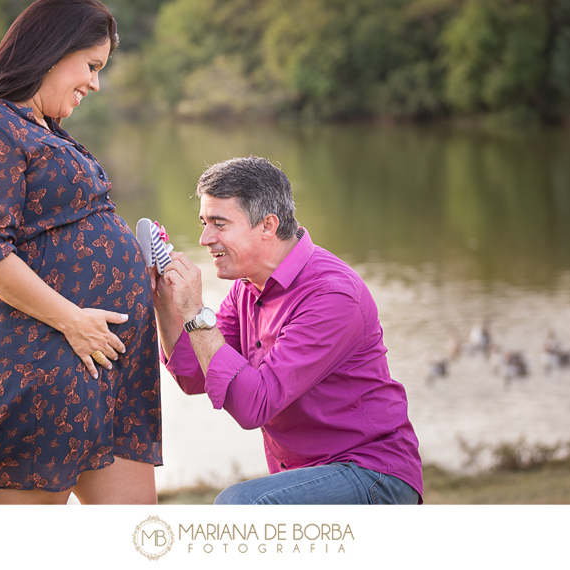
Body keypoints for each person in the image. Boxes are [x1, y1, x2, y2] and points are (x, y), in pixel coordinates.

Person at [0, 0, 161, 505]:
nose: (95, 82)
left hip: (108, 366)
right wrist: (73, 320)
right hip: (38, 366)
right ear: (53, 50)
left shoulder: (46, 131)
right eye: (91, 65)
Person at [154, 156, 422, 504]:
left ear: (268, 225)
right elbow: (194, 376)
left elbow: (254, 406)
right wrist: (165, 302)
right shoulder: (247, 287)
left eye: (219, 224)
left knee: (240, 508)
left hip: (372, 474)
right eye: (204, 222)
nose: (205, 238)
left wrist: (194, 309)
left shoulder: (331, 295)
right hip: (305, 474)